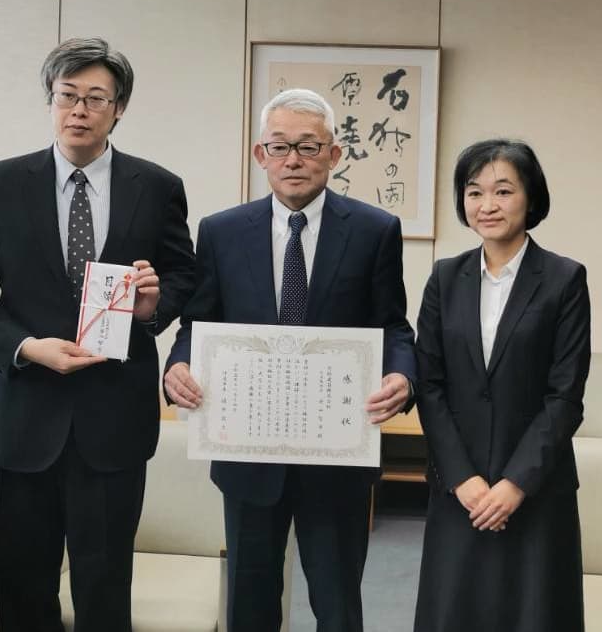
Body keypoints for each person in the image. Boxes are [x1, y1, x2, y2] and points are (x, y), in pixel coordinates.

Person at [0, 37, 195, 632]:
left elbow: (185, 275)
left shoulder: (157, 186)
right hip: (24, 414)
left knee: (105, 586)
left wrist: (153, 306)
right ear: (50, 101)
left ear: (119, 108)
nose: (79, 110)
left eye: (95, 98)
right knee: (23, 587)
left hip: (115, 416)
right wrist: (24, 347)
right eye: (66, 95)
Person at [162, 87, 417, 632]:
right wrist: (177, 366)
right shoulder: (221, 231)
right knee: (250, 603)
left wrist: (402, 374)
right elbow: (198, 324)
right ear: (261, 155)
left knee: (337, 603)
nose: (293, 160)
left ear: (334, 154)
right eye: (279, 147)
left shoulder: (375, 230)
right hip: (248, 451)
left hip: (338, 453)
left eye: (308, 146)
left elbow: (393, 325)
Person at [412, 139, 590, 632]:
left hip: (534, 491)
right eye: (474, 192)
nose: (487, 205)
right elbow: (430, 385)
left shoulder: (564, 280)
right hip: (460, 491)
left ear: (531, 199)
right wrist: (462, 479)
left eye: (503, 191)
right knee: (454, 614)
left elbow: (565, 396)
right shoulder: (445, 278)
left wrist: (514, 484)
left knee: (532, 616)